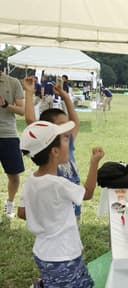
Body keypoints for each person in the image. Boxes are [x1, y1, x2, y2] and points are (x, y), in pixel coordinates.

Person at [17, 120, 104, 287]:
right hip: (64, 256)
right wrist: (94, 163)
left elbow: (22, 212)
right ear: (55, 151)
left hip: (42, 253)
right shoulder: (58, 184)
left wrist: (44, 213)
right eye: (65, 139)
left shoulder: (31, 181)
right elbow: (88, 194)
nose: (69, 140)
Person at [24, 76, 83, 225]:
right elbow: (31, 121)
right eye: (62, 124)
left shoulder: (67, 142)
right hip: (55, 207)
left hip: (73, 204)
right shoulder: (48, 145)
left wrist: (64, 96)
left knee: (73, 230)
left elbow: (75, 122)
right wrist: (29, 93)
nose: (67, 127)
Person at [0, 71, 25, 218]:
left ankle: (9, 203)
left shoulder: (13, 82)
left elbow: (22, 110)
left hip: (8, 135)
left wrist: (6, 105)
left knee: (14, 176)